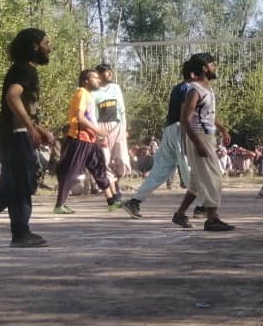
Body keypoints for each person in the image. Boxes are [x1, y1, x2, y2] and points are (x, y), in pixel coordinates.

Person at [0, 28, 54, 247]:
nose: (50, 47)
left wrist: (40, 130)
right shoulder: (24, 70)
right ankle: (21, 234)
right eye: (46, 42)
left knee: (14, 182)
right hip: (14, 135)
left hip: (13, 133)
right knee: (23, 182)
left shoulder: (23, 70)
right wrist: (29, 128)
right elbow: (12, 97)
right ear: (35, 46)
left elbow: (25, 108)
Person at [121, 55, 202, 219]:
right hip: (181, 130)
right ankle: (201, 207)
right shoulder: (189, 89)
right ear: (193, 74)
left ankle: (135, 201)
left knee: (160, 170)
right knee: (191, 169)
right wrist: (188, 140)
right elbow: (184, 115)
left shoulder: (178, 87)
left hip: (170, 130)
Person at [171, 54, 234, 231]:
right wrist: (197, 143)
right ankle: (212, 219)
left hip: (207, 136)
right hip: (199, 136)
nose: (216, 66)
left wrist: (222, 129)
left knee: (198, 180)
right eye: (213, 64)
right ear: (205, 67)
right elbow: (185, 119)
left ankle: (180, 214)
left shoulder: (207, 89)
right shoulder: (194, 90)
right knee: (213, 177)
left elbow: (208, 116)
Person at [53, 69, 122, 214]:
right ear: (86, 80)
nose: (98, 80)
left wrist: (96, 136)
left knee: (98, 168)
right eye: (95, 77)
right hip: (79, 139)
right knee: (71, 172)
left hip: (89, 139)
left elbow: (88, 118)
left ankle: (112, 202)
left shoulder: (88, 95)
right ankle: (59, 205)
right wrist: (98, 131)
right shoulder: (81, 93)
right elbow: (80, 117)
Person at [93, 63, 130, 197]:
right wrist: (98, 133)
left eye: (110, 71)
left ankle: (116, 181)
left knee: (122, 160)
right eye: (106, 72)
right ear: (99, 75)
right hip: (102, 129)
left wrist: (124, 128)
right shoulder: (94, 91)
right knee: (106, 160)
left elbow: (122, 109)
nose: (109, 74)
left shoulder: (115, 88)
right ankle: (114, 194)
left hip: (117, 127)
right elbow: (93, 114)